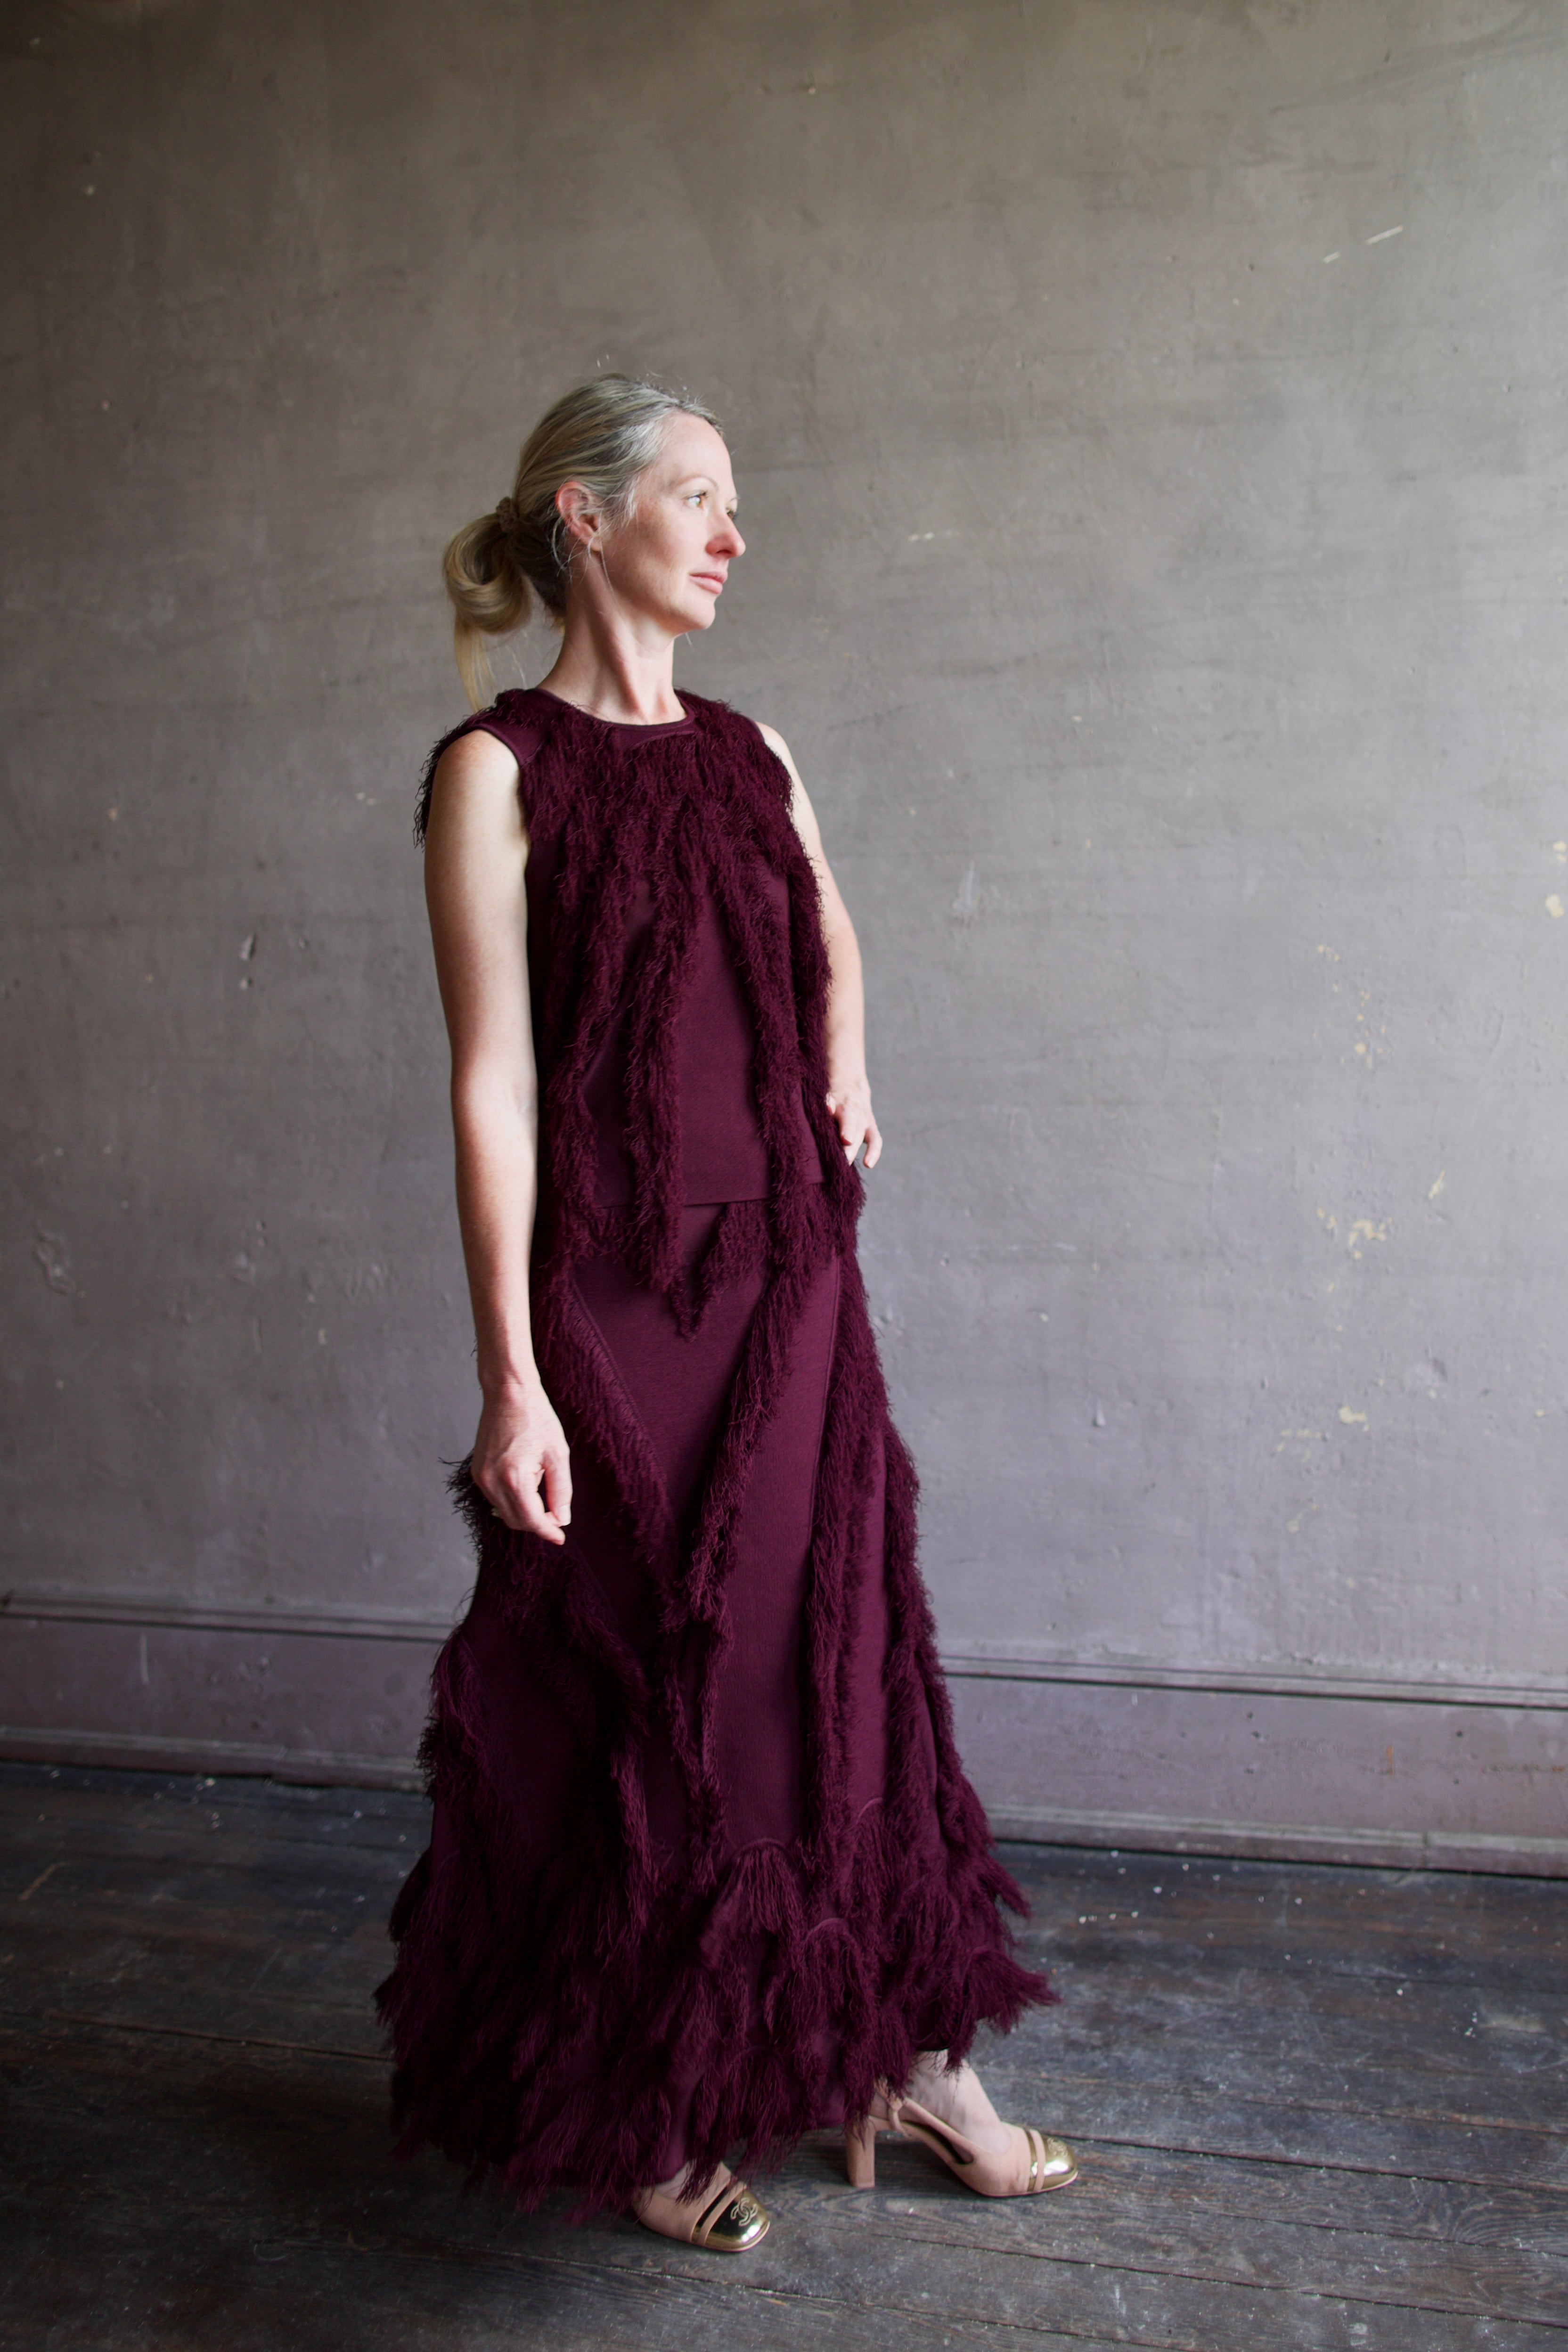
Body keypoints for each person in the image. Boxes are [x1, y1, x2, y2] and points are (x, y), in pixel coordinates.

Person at [377, 375, 1076, 2252]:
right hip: (612, 1309)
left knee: (837, 1669)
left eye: (734, 500)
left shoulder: (755, 756)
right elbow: (492, 1088)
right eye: (697, 495)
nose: (733, 531)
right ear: (584, 520)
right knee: (650, 1692)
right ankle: (647, 2094)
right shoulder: (495, 770)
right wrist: (511, 1379)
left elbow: (826, 922)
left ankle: (903, 2049)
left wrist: (847, 1051)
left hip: (789, 1292)